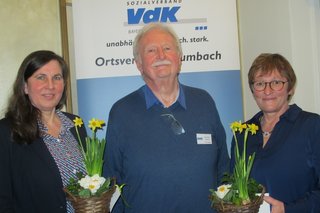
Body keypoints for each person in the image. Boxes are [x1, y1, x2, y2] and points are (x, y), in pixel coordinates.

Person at [103, 22, 229, 212]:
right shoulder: (121, 112)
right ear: (139, 64)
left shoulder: (204, 102)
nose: (161, 56)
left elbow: (223, 169)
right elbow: (111, 182)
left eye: (167, 48)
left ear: (179, 58)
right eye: (151, 50)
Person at [230, 53, 320, 213]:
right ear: (252, 90)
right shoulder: (242, 134)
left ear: (290, 87)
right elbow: (233, 186)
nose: (267, 91)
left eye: (276, 82)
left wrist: (288, 209)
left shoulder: (312, 126)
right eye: (260, 83)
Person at [0, 50, 87, 213]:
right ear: (25, 86)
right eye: (41, 77)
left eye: (57, 77)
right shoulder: (6, 132)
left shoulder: (76, 125)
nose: (50, 85)